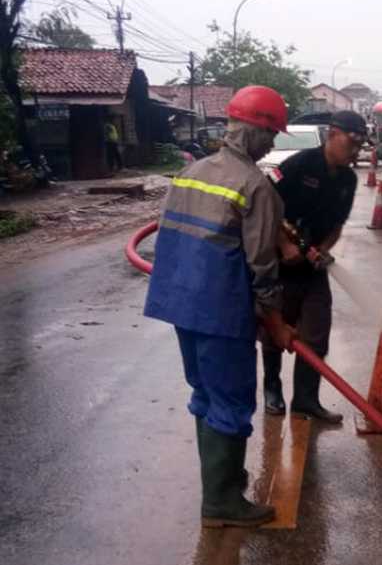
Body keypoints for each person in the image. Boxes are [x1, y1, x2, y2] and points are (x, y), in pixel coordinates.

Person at [144, 85, 296, 528]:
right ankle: (222, 502)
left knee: (204, 395)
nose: (271, 144)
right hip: (221, 311)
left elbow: (169, 239)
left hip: (179, 304)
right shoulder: (254, 186)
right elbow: (262, 268)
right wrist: (276, 322)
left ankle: (223, 481)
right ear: (252, 131)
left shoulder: (191, 173)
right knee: (230, 401)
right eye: (270, 134)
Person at [260, 110, 365, 424]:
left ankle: (306, 400)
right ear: (333, 134)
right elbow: (266, 202)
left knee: (316, 335)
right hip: (281, 265)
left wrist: (322, 250)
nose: (357, 149)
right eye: (352, 141)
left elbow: (336, 225)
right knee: (275, 331)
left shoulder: (349, 179)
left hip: (312, 269)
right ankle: (272, 389)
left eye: (362, 144)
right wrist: (284, 244)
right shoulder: (299, 164)